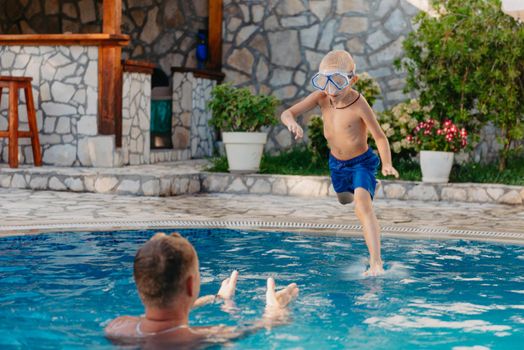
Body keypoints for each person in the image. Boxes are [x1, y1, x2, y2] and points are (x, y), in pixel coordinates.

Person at [280, 50, 399, 276]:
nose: (331, 91)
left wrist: (386, 163)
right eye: (325, 83)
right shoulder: (322, 97)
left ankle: (376, 262)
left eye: (338, 83)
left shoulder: (358, 103)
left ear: (352, 80)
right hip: (337, 164)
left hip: (361, 163)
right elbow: (287, 112)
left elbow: (380, 136)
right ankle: (368, 187)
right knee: (345, 199)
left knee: (362, 206)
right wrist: (292, 123)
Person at [104, 232, 299, 348]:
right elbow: (266, 324)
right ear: (191, 285)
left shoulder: (117, 327)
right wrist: (275, 309)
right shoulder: (207, 336)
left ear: (140, 286)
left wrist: (216, 297)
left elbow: (158, 316)